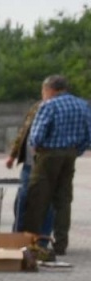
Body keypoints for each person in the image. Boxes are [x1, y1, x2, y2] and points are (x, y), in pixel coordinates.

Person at [21, 74, 91, 257]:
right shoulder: (82, 104)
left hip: (48, 155)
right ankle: (60, 245)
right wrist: (77, 150)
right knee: (63, 200)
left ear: (50, 89)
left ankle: (32, 242)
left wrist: (36, 149)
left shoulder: (49, 105)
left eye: (43, 91)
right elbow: (88, 132)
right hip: (70, 154)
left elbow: (37, 134)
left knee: (38, 197)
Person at [5, 100, 54, 236]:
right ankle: (18, 234)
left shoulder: (59, 109)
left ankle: (43, 237)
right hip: (28, 163)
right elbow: (23, 132)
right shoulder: (36, 107)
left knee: (46, 201)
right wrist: (13, 155)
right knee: (22, 197)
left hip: (47, 164)